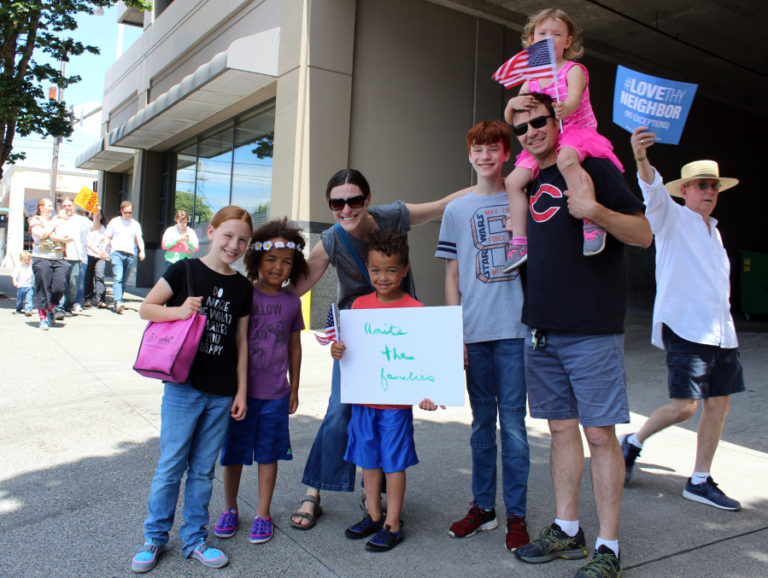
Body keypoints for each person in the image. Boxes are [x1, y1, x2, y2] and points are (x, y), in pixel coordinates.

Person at [508, 93, 652, 577]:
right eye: (522, 128)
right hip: (542, 329)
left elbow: (643, 232)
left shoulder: (591, 167)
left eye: (538, 121)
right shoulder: (527, 180)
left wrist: (595, 210)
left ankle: (608, 548)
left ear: (558, 120)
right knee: (561, 430)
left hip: (592, 328)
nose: (530, 132)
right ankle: (567, 530)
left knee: (599, 434)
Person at [288, 169, 471, 530]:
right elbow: (297, 286)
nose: (346, 208)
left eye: (354, 200)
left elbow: (440, 206)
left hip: (400, 329)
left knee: (389, 418)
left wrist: (491, 185)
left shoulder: (392, 215)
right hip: (357, 336)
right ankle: (314, 492)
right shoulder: (330, 240)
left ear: (367, 200)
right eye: (337, 202)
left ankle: (375, 499)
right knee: (340, 412)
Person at [620, 128, 744, 511]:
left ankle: (700, 479)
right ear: (684, 191)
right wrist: (641, 158)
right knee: (685, 405)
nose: (709, 191)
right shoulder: (670, 217)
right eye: (701, 185)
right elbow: (652, 191)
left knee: (718, 404)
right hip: (686, 328)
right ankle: (634, 442)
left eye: (713, 186)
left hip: (721, 333)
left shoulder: (714, 232)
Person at [130, 206, 254, 573]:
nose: (234, 245)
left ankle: (195, 538)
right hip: (183, 387)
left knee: (202, 470)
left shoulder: (242, 287)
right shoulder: (184, 270)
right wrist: (181, 310)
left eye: (242, 240)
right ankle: (154, 538)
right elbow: (147, 308)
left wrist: (241, 392)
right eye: (228, 235)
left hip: (221, 392)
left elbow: (242, 342)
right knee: (170, 465)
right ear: (211, 232)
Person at [434, 121, 530, 552]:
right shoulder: (456, 209)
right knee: (480, 425)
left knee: (513, 427)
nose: (486, 155)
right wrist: (456, 333)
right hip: (475, 332)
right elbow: (451, 274)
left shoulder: (521, 199)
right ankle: (483, 507)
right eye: (478, 148)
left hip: (515, 330)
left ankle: (517, 516)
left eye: (493, 148)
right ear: (469, 155)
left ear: (506, 153)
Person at [332, 229, 437, 552]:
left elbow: (426, 358)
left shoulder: (416, 310)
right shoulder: (358, 307)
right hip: (364, 400)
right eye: (375, 270)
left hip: (395, 405)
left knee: (393, 462)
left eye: (391, 270)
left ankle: (393, 522)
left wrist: (430, 391)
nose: (383, 277)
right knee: (368, 460)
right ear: (367, 268)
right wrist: (338, 350)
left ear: (405, 270)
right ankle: (374, 515)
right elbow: (350, 351)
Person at [501, 8, 624, 273]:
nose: (549, 38)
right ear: (532, 39)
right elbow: (512, 118)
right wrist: (513, 103)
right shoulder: (531, 78)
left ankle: (591, 221)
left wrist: (565, 107)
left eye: (556, 34)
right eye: (542, 33)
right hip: (546, 137)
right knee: (513, 181)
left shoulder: (573, 69)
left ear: (568, 41)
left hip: (574, 131)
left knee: (567, 159)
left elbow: (574, 98)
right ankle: (520, 240)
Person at [214, 218, 308, 545]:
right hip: (239, 396)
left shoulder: (292, 303)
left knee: (269, 455)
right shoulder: (243, 293)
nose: (278, 267)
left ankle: (263, 513)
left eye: (286, 261)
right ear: (256, 260)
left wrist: (294, 387)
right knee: (234, 454)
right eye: (271, 259)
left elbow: (295, 347)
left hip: (275, 396)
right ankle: (229, 508)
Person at [28, 197, 71, 330]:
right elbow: (41, 235)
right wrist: (54, 224)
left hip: (58, 258)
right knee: (44, 288)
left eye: (52, 206)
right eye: (48, 206)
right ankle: (43, 319)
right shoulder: (35, 220)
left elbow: (64, 237)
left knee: (59, 288)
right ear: (41, 208)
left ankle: (49, 309)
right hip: (41, 257)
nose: (51, 208)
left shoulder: (56, 221)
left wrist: (64, 240)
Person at [102, 200, 145, 313]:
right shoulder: (114, 222)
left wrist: (142, 251)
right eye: (126, 212)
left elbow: (139, 238)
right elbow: (107, 237)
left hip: (130, 254)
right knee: (118, 277)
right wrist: (103, 250)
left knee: (124, 280)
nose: (128, 215)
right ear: (121, 211)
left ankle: (118, 301)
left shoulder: (135, 224)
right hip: (117, 253)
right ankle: (118, 301)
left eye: (130, 212)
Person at [57, 196, 96, 315]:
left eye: (69, 205)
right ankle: (60, 308)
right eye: (64, 206)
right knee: (62, 284)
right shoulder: (58, 219)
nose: (67, 208)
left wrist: (97, 213)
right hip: (61, 256)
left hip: (77, 256)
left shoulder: (81, 220)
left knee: (73, 283)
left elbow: (94, 227)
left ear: (73, 206)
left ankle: (69, 305)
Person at [84, 211, 109, 308]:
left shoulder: (104, 228)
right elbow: (88, 244)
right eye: (95, 214)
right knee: (88, 277)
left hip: (101, 256)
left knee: (100, 275)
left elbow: (107, 241)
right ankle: (88, 298)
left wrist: (103, 252)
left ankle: (101, 299)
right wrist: (98, 252)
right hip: (90, 254)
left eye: (99, 214)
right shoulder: (88, 228)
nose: (97, 216)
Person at [12, 250, 34, 315]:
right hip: (21, 286)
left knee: (29, 298)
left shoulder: (31, 267)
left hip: (29, 286)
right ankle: (18, 308)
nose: (27, 262)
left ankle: (28, 309)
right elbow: (14, 275)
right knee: (19, 299)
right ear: (21, 260)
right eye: (25, 260)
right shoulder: (19, 267)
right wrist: (14, 282)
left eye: (28, 260)